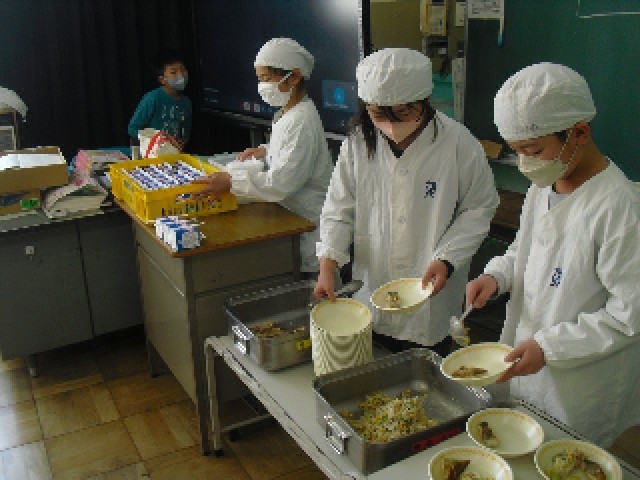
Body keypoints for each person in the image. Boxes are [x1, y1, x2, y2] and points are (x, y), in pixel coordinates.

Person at [465, 63, 640, 447]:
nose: (526, 163)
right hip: (529, 360)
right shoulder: (544, 184)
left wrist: (550, 347)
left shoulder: (618, 207)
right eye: (518, 152)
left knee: (567, 458)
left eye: (534, 150)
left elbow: (628, 317)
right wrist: (496, 276)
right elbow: (524, 250)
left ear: (580, 132)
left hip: (580, 382)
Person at [313, 48, 499, 357]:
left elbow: (478, 208)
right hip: (372, 286)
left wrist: (447, 259)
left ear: (424, 101)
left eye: (403, 112)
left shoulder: (458, 143)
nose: (391, 124)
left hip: (432, 295)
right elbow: (338, 208)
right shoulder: (358, 143)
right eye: (378, 114)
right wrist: (328, 265)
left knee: (425, 366)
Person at [192, 38, 333, 275]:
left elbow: (280, 183)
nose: (262, 86)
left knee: (313, 290)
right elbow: (291, 149)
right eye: (260, 79)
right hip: (291, 218)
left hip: (307, 225)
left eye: (266, 78)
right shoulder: (290, 112)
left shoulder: (301, 120)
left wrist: (231, 182)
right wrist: (266, 149)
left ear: (294, 77)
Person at [128, 49, 192, 151]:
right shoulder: (152, 98)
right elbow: (133, 129)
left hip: (173, 152)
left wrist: (182, 141)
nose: (180, 75)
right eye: (173, 72)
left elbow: (186, 131)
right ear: (162, 79)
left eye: (183, 70)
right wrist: (155, 140)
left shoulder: (186, 102)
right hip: (151, 153)